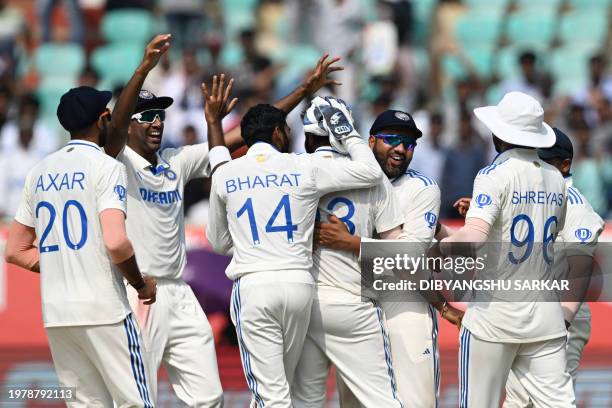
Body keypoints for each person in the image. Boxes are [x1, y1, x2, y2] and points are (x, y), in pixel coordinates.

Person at [205, 96, 383, 407]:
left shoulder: (225, 173)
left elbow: (219, 243)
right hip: (299, 286)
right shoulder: (304, 165)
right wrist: (347, 132)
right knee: (280, 390)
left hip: (254, 286)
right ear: (277, 133)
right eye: (287, 130)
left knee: (271, 395)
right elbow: (370, 172)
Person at [4, 84, 157, 407]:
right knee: (136, 403)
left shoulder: (39, 171)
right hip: (105, 309)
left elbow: (15, 250)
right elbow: (116, 243)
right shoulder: (107, 167)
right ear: (103, 118)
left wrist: (69, 259)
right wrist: (141, 284)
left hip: (58, 314)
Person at [432, 92, 575, 407]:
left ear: (499, 133)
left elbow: (475, 238)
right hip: (545, 319)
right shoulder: (556, 178)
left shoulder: (493, 175)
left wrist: (437, 246)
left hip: (493, 319)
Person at [315, 108, 464, 407]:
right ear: (370, 142)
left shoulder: (421, 188)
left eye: (408, 144)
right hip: (355, 304)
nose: (400, 149)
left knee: (416, 401)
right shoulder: (344, 178)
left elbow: (410, 257)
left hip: (404, 303)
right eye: (391, 139)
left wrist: (353, 243)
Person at [291, 99, 405, 408]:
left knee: (303, 402)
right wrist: (355, 243)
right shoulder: (375, 178)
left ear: (308, 137)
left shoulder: (293, 169)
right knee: (384, 401)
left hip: (302, 302)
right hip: (352, 302)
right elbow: (398, 254)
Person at [502, 128, 604, 407]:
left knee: (552, 403)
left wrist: (564, 321)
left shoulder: (575, 205)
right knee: (518, 402)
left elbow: (580, 269)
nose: (535, 166)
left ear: (565, 165)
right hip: (528, 316)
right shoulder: (539, 199)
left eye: (542, 160)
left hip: (561, 317)